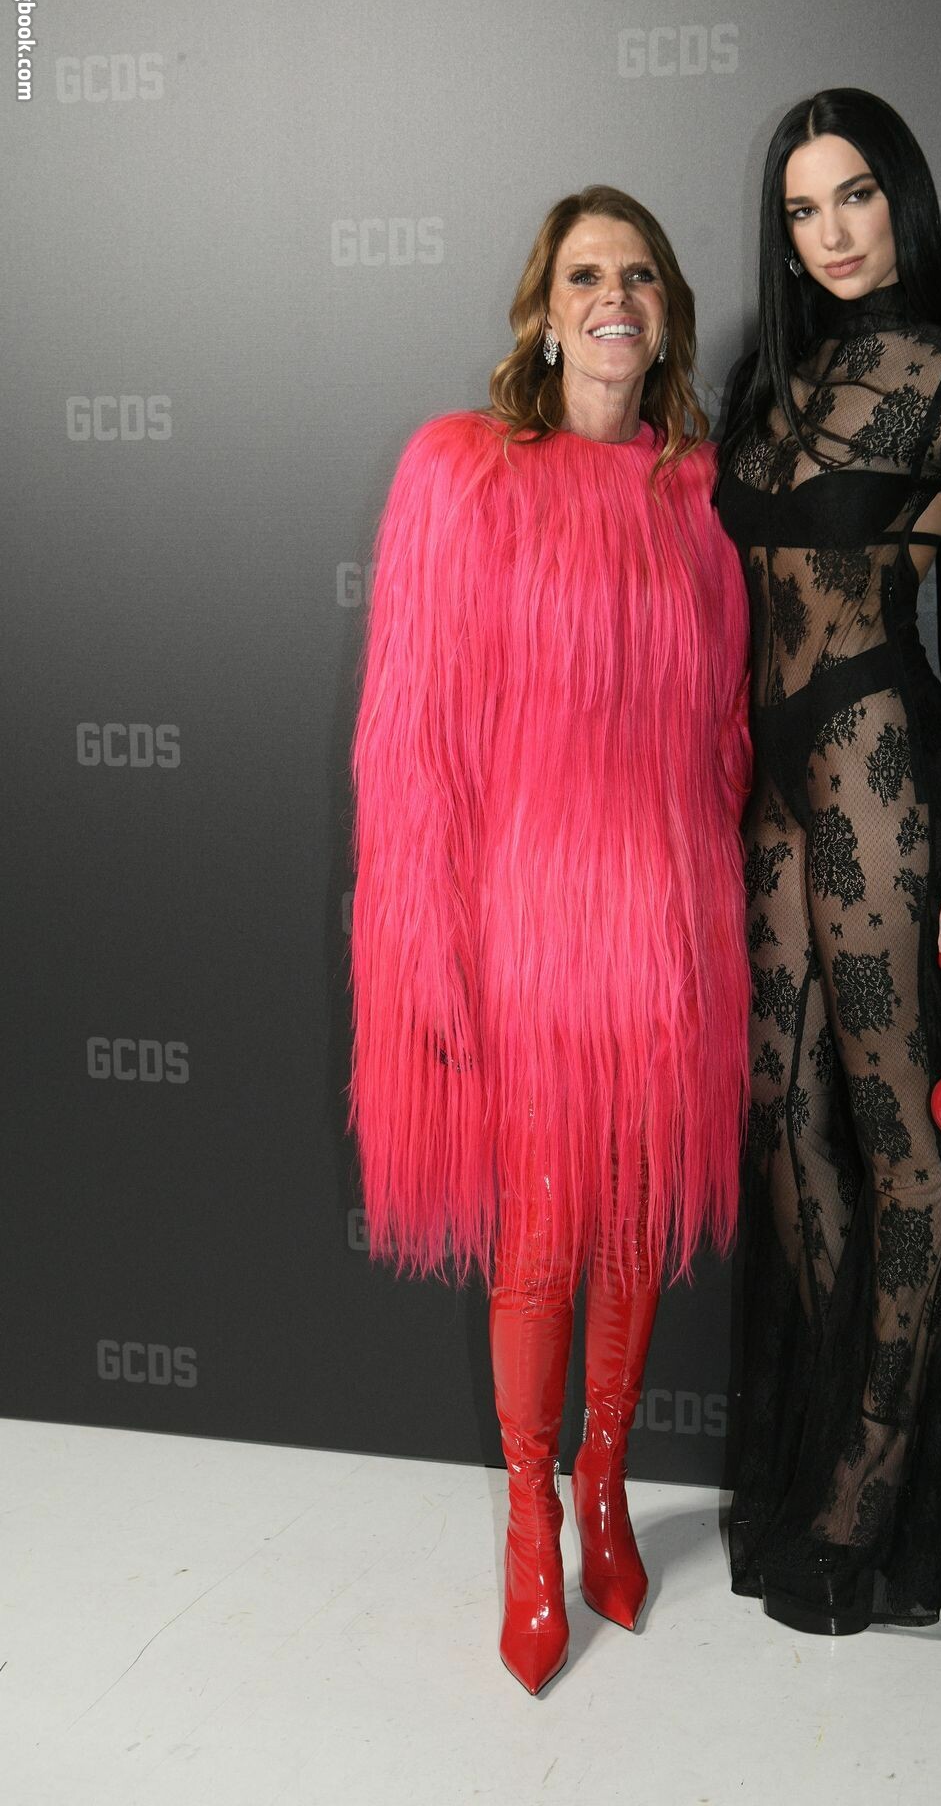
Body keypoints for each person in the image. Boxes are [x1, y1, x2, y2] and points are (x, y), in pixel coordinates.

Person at [347, 185, 751, 1693]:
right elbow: (414, 739)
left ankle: (606, 1486)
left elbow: (728, 735)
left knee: (633, 1222)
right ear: (544, 309)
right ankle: (530, 1520)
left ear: (668, 314)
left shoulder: (704, 497)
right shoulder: (462, 473)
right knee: (536, 1239)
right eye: (586, 273)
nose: (613, 297)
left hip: (670, 924)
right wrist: (427, 947)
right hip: (522, 927)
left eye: (639, 274)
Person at [715, 89, 941, 1633]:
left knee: (903, 1139)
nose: (832, 231)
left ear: (902, 196)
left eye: (854, 195)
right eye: (802, 208)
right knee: (786, 1124)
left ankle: (867, 1495)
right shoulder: (766, 382)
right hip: (761, 785)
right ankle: (840, 1438)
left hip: (879, 771)